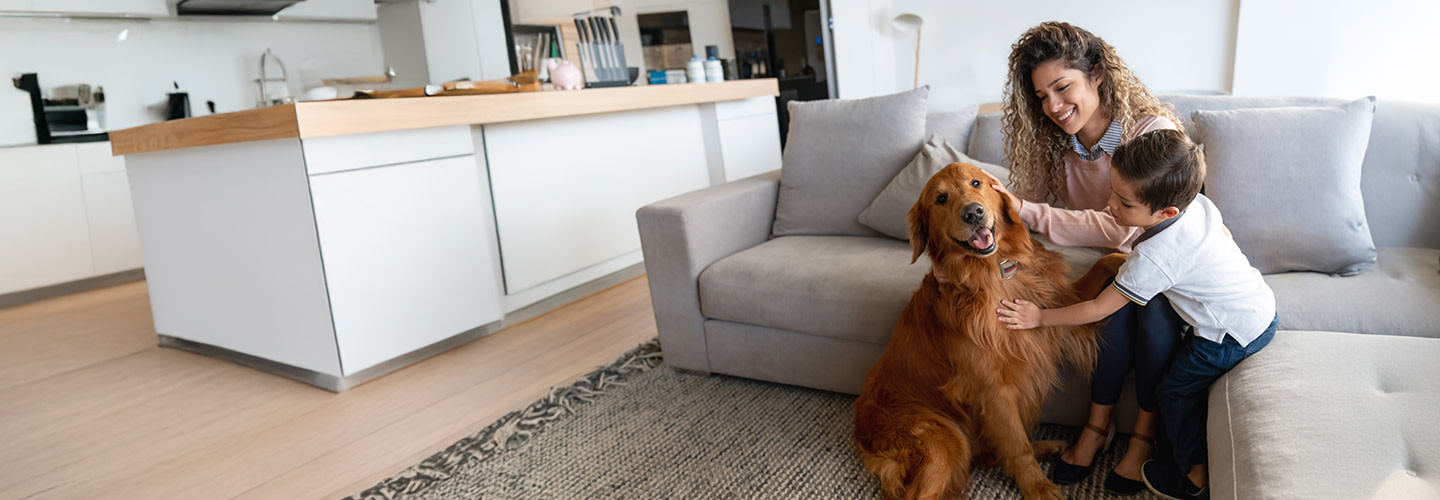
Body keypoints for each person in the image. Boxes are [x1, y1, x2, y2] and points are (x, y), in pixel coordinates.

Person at [997, 129, 1278, 500]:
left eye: (1125, 203)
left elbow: (1098, 307)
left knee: (1175, 392)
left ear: (1167, 213)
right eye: (1112, 191)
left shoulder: (1154, 258)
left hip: (1230, 332)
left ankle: (1194, 476)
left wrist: (1039, 317)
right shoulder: (1200, 206)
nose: (1111, 206)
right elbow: (1221, 233)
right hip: (1259, 304)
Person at [991, 21, 1187, 494]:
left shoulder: (1149, 134)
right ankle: (1097, 427)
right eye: (1041, 97)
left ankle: (1142, 435)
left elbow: (1124, 226)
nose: (1054, 107)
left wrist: (1030, 211)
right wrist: (1005, 270)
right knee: (1109, 307)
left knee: (1153, 312)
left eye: (1062, 87)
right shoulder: (1051, 145)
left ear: (1096, 75)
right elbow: (1022, 230)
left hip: (1162, 266)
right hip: (1109, 270)